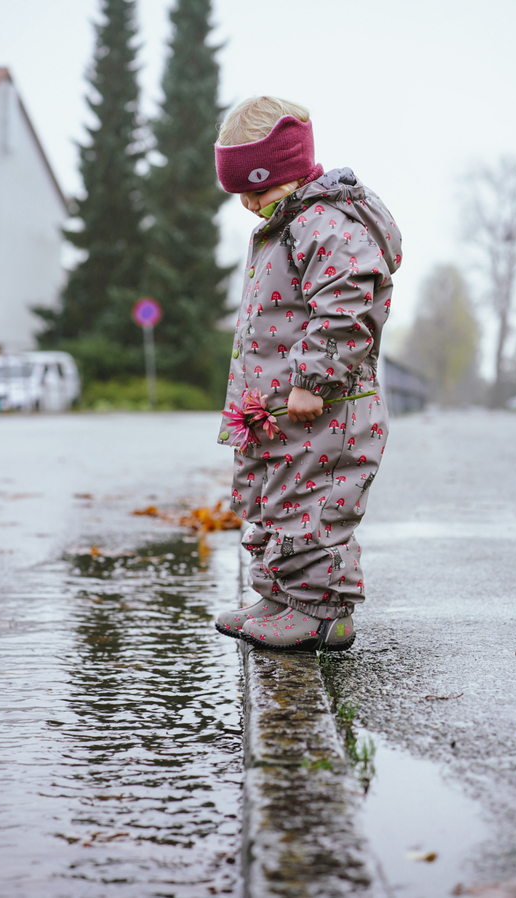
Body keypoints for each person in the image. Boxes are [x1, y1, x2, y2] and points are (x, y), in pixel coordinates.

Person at [213, 96, 402, 652]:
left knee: (314, 506)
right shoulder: (286, 224)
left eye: (258, 190)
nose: (249, 203)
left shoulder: (322, 224)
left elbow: (344, 304)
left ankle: (320, 615)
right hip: (281, 411)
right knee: (275, 501)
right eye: (239, 193)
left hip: (326, 406)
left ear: (291, 170)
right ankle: (280, 599)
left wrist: (311, 380)